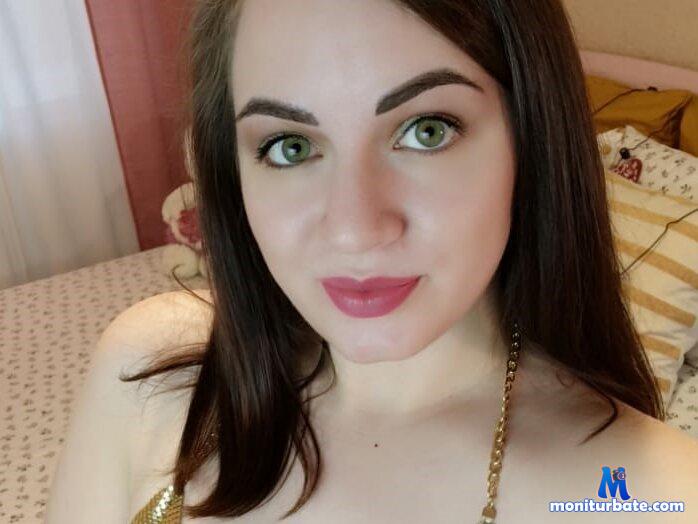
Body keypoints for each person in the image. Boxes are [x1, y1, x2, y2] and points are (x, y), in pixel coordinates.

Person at [46, 0, 698, 522]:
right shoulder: (149, 373)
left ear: (530, 141)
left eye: (426, 131)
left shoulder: (649, 494)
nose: (355, 231)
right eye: (290, 146)